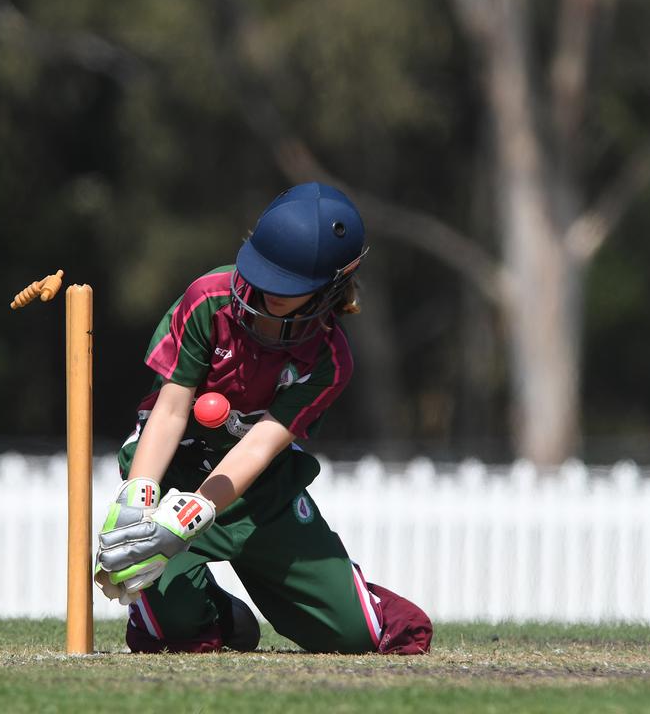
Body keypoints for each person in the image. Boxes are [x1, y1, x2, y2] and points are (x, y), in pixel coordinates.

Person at [94, 182, 433, 655]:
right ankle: (221, 615)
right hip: (174, 468)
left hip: (258, 488)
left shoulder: (329, 361)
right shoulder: (207, 300)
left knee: (355, 637)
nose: (268, 289)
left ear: (330, 287)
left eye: (288, 283)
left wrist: (194, 512)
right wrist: (142, 493)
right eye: (264, 270)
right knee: (177, 628)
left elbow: (259, 446)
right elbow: (170, 410)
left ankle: (352, 601)